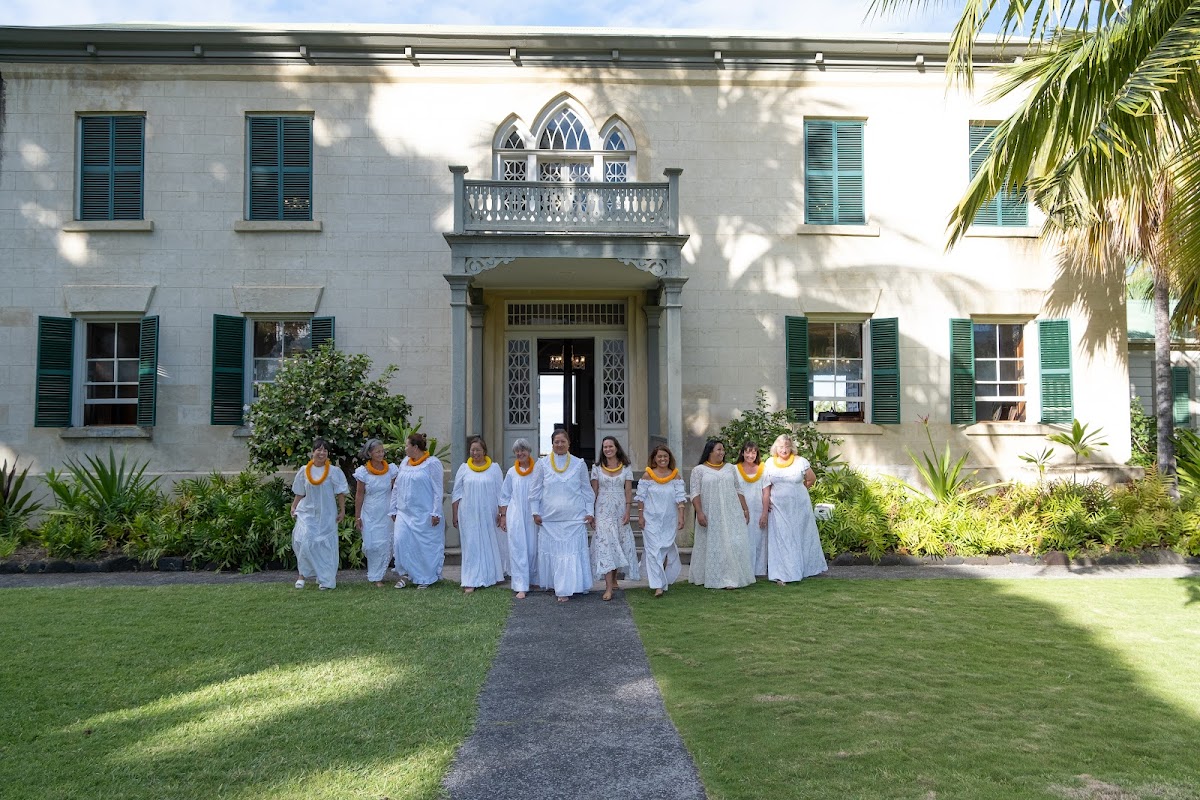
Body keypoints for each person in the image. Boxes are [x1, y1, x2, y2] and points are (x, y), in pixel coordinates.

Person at [530, 428, 594, 603]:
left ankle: (573, 586)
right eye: (556, 442)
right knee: (557, 554)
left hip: (574, 518)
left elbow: (586, 490)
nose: (559, 444)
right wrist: (535, 512)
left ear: (569, 443)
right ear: (552, 444)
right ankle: (560, 587)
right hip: (550, 519)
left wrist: (590, 512)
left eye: (562, 441)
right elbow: (534, 491)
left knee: (572, 553)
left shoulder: (579, 464)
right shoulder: (542, 464)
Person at [760, 433, 828, 585]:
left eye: (787, 446)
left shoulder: (801, 461)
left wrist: (798, 492)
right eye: (781, 446)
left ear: (791, 447)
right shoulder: (769, 463)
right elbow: (766, 485)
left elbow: (811, 479)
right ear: (775, 448)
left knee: (799, 536)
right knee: (782, 538)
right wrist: (766, 502)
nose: (784, 450)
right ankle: (783, 572)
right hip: (777, 507)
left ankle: (803, 569)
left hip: (799, 507)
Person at [689, 439, 755, 589]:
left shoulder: (730, 468)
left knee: (732, 542)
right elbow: (694, 493)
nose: (722, 452)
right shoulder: (699, 470)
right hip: (711, 513)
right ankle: (713, 576)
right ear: (710, 451)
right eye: (719, 449)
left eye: (723, 450)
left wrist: (745, 509)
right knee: (714, 544)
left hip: (731, 512)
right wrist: (699, 512)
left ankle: (731, 578)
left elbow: (738, 489)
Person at [290, 438, 349, 590]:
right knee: (304, 541)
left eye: (325, 450)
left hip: (327, 514)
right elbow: (299, 491)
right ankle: (302, 575)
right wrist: (294, 506)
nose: (322, 453)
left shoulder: (334, 471)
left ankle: (325, 578)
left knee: (325, 546)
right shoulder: (304, 470)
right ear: (313, 452)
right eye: (319, 449)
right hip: (308, 512)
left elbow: (340, 492)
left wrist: (342, 510)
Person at [389, 432, 445, 589]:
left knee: (422, 546)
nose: (405, 448)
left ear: (415, 447)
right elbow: (397, 486)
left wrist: (436, 512)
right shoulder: (405, 462)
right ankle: (405, 574)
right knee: (401, 542)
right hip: (404, 512)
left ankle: (425, 577)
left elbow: (438, 489)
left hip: (424, 513)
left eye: (407, 445)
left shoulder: (431, 463)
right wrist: (392, 507)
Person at [452, 435, 507, 594]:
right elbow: (457, 493)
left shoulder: (494, 468)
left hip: (488, 513)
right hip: (468, 513)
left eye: (478, 450)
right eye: (472, 450)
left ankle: (489, 576)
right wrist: (455, 514)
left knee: (489, 543)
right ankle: (470, 579)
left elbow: (500, 492)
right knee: (472, 545)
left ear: (484, 451)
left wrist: (501, 512)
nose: (475, 453)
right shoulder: (464, 468)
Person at [590, 435, 640, 601]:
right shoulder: (597, 467)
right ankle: (608, 587)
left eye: (610, 446)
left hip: (619, 508)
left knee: (617, 542)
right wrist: (591, 513)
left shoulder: (626, 467)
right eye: (605, 447)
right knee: (606, 544)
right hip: (603, 509)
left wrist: (628, 510)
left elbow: (628, 491)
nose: (608, 449)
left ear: (616, 448)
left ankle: (615, 578)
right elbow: (594, 491)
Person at [634, 443, 686, 597]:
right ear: (654, 459)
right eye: (659, 456)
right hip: (651, 519)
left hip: (669, 518)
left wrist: (681, 516)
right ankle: (658, 586)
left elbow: (680, 499)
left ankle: (661, 581)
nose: (662, 459)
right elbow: (641, 498)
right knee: (653, 550)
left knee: (663, 549)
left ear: (669, 458)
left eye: (665, 456)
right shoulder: (647, 476)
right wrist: (641, 516)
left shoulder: (675, 476)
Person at [353, 438, 399, 587]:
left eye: (382, 451)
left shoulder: (391, 469)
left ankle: (378, 576)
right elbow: (359, 495)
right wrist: (357, 516)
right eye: (377, 451)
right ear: (370, 453)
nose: (381, 454)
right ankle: (374, 573)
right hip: (370, 511)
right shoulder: (363, 472)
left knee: (385, 543)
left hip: (386, 510)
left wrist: (397, 509)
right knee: (372, 544)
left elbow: (396, 490)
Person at [498, 438, 539, 599]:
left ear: (529, 452)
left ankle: (534, 579)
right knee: (518, 548)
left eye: (524, 450)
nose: (520, 453)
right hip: (516, 514)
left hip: (533, 514)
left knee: (533, 547)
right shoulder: (511, 472)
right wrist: (503, 516)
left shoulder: (538, 470)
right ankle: (521, 585)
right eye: (517, 450)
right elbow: (504, 495)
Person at [734, 440, 769, 577]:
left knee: (758, 539)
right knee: (742, 539)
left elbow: (766, 492)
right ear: (742, 453)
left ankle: (758, 571)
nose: (750, 455)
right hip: (740, 509)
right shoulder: (734, 469)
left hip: (758, 509)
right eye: (748, 452)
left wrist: (765, 513)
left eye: (753, 452)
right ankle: (742, 570)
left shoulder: (762, 469)